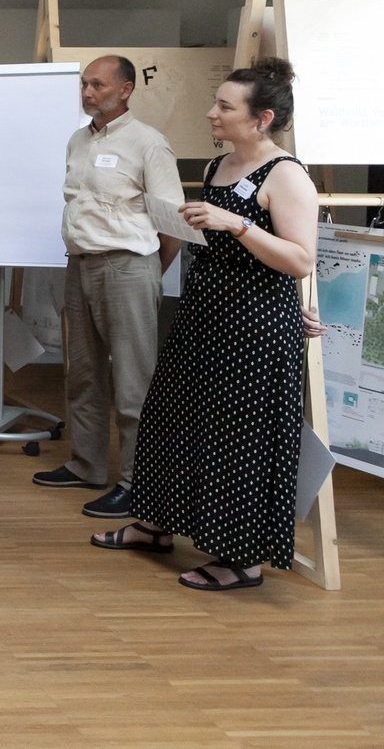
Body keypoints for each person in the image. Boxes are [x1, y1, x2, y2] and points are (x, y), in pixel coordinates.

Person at [91, 57, 319, 591]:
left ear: (262, 118)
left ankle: (241, 560)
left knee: (237, 438)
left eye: (224, 106)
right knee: (170, 415)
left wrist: (235, 224)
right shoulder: (219, 166)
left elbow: (301, 259)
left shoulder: (287, 175)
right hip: (204, 315)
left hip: (254, 325)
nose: (211, 113)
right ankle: (155, 525)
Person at [34, 55, 182, 519]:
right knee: (83, 374)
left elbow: (172, 223)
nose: (87, 92)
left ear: (125, 89)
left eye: (97, 85)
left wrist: (146, 271)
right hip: (80, 266)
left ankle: (138, 483)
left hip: (127, 267)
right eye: (84, 84)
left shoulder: (149, 143)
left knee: (134, 381)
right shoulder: (78, 140)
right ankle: (86, 465)